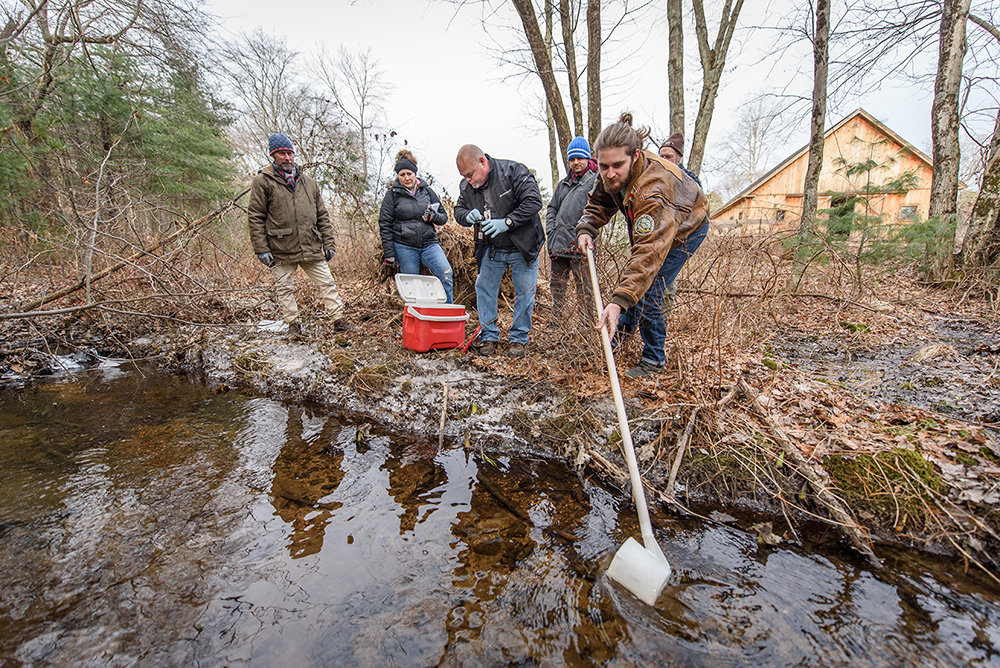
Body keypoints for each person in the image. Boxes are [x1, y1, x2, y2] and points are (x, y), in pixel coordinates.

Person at [576, 114, 710, 378]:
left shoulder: (655, 189)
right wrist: (586, 227)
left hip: (687, 228)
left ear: (635, 156)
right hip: (656, 228)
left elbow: (648, 254)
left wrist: (617, 301)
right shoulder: (611, 173)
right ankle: (617, 338)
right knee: (635, 285)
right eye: (603, 166)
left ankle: (653, 360)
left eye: (617, 165)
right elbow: (599, 202)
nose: (609, 173)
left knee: (651, 287)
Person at [248, 132, 348, 337]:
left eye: (290, 153)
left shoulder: (309, 183)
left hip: (310, 244)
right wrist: (261, 249)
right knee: (285, 288)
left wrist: (329, 243)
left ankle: (339, 320)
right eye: (282, 154)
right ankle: (293, 325)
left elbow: (322, 215)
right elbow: (255, 217)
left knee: (327, 282)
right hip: (279, 247)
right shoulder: (263, 181)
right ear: (273, 155)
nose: (287, 158)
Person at [454, 144, 544, 358]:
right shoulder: (467, 188)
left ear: (482, 162)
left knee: (525, 293)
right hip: (492, 249)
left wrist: (508, 222)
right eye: (464, 177)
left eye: (470, 174)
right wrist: (466, 216)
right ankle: (489, 335)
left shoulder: (514, 172)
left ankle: (519, 339)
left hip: (522, 246)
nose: (468, 180)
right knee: (484, 288)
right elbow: (458, 210)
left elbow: (533, 202)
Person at [378, 150, 454, 303]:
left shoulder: (427, 191)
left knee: (446, 273)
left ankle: (447, 313)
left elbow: (443, 218)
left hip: (429, 244)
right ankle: (417, 319)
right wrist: (389, 253)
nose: (406, 178)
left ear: (415, 174)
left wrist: (433, 216)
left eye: (409, 173)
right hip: (404, 246)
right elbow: (385, 224)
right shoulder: (392, 195)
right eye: (402, 174)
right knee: (412, 287)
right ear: (398, 176)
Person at [545, 136, 599, 327]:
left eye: (580, 158)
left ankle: (586, 327)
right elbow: (551, 208)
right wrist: (551, 230)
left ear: (587, 158)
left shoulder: (595, 182)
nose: (575, 162)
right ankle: (556, 321)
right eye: (572, 159)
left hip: (582, 245)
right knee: (557, 286)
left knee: (585, 288)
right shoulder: (564, 184)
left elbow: (598, 212)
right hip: (559, 244)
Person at [657, 132, 702, 318]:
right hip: (655, 239)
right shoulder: (655, 179)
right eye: (661, 156)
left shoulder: (690, 181)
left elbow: (697, 214)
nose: (664, 160)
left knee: (665, 285)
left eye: (668, 156)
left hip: (677, 240)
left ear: (679, 158)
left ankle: (662, 324)